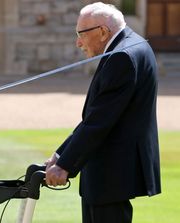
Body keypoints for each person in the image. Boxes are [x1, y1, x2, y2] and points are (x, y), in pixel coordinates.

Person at [44, 2, 161, 223]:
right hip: (111, 170)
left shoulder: (122, 57)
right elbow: (97, 116)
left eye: (81, 34)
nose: (78, 42)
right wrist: (59, 156)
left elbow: (99, 122)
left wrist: (65, 166)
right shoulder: (132, 44)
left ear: (103, 31)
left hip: (111, 173)